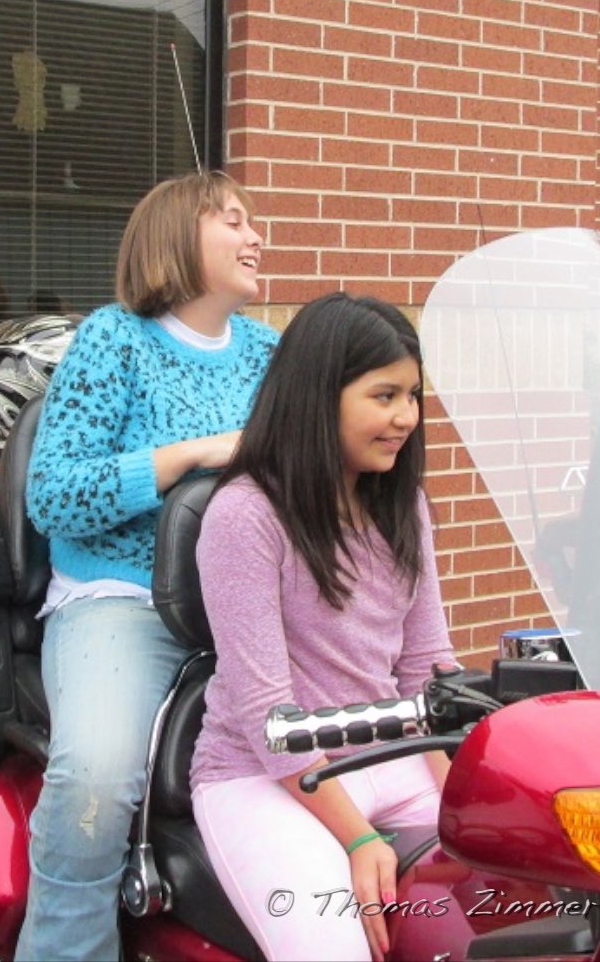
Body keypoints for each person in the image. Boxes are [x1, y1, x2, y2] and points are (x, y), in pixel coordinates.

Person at [14, 170, 277, 962]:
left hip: (251, 605)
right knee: (94, 777)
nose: (255, 236)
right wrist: (191, 456)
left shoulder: (272, 352)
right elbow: (54, 495)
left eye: (252, 220)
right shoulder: (114, 340)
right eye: (232, 220)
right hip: (122, 601)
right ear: (176, 237)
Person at [189, 293, 457, 962]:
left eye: (412, 395)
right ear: (319, 396)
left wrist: (464, 794)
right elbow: (267, 715)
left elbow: (427, 668)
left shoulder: (403, 504)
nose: (406, 417)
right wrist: (359, 838)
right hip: (263, 774)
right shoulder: (245, 515)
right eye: (384, 396)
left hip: (386, 752)